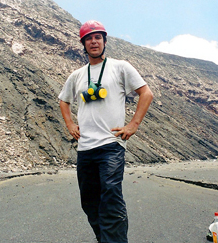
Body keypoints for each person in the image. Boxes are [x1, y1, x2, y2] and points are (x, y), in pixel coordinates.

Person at [59, 20, 153, 243]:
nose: (94, 41)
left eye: (98, 37)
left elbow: (146, 93)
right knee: (89, 201)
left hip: (111, 145)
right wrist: (70, 125)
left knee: (110, 196)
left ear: (104, 41)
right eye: (89, 38)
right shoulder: (77, 75)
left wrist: (133, 125)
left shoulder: (121, 67)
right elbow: (64, 101)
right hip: (85, 149)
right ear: (83, 43)